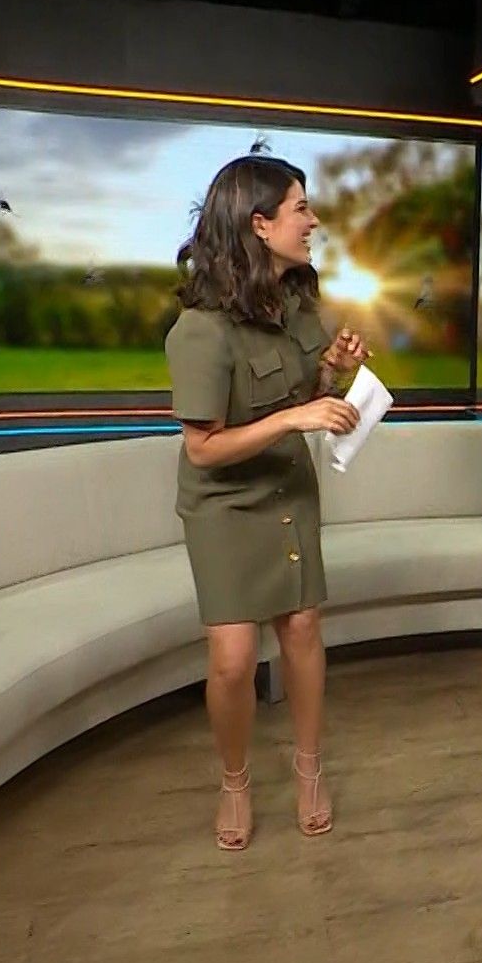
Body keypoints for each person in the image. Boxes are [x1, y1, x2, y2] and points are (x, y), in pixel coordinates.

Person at [164, 155, 369, 850]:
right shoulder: (200, 330)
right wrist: (295, 418)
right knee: (232, 660)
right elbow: (203, 449)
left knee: (303, 628)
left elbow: (306, 396)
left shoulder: (297, 306)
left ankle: (309, 770)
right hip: (224, 503)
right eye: (300, 208)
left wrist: (332, 371)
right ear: (259, 224)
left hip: (286, 486)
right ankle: (235, 781)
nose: (313, 221)